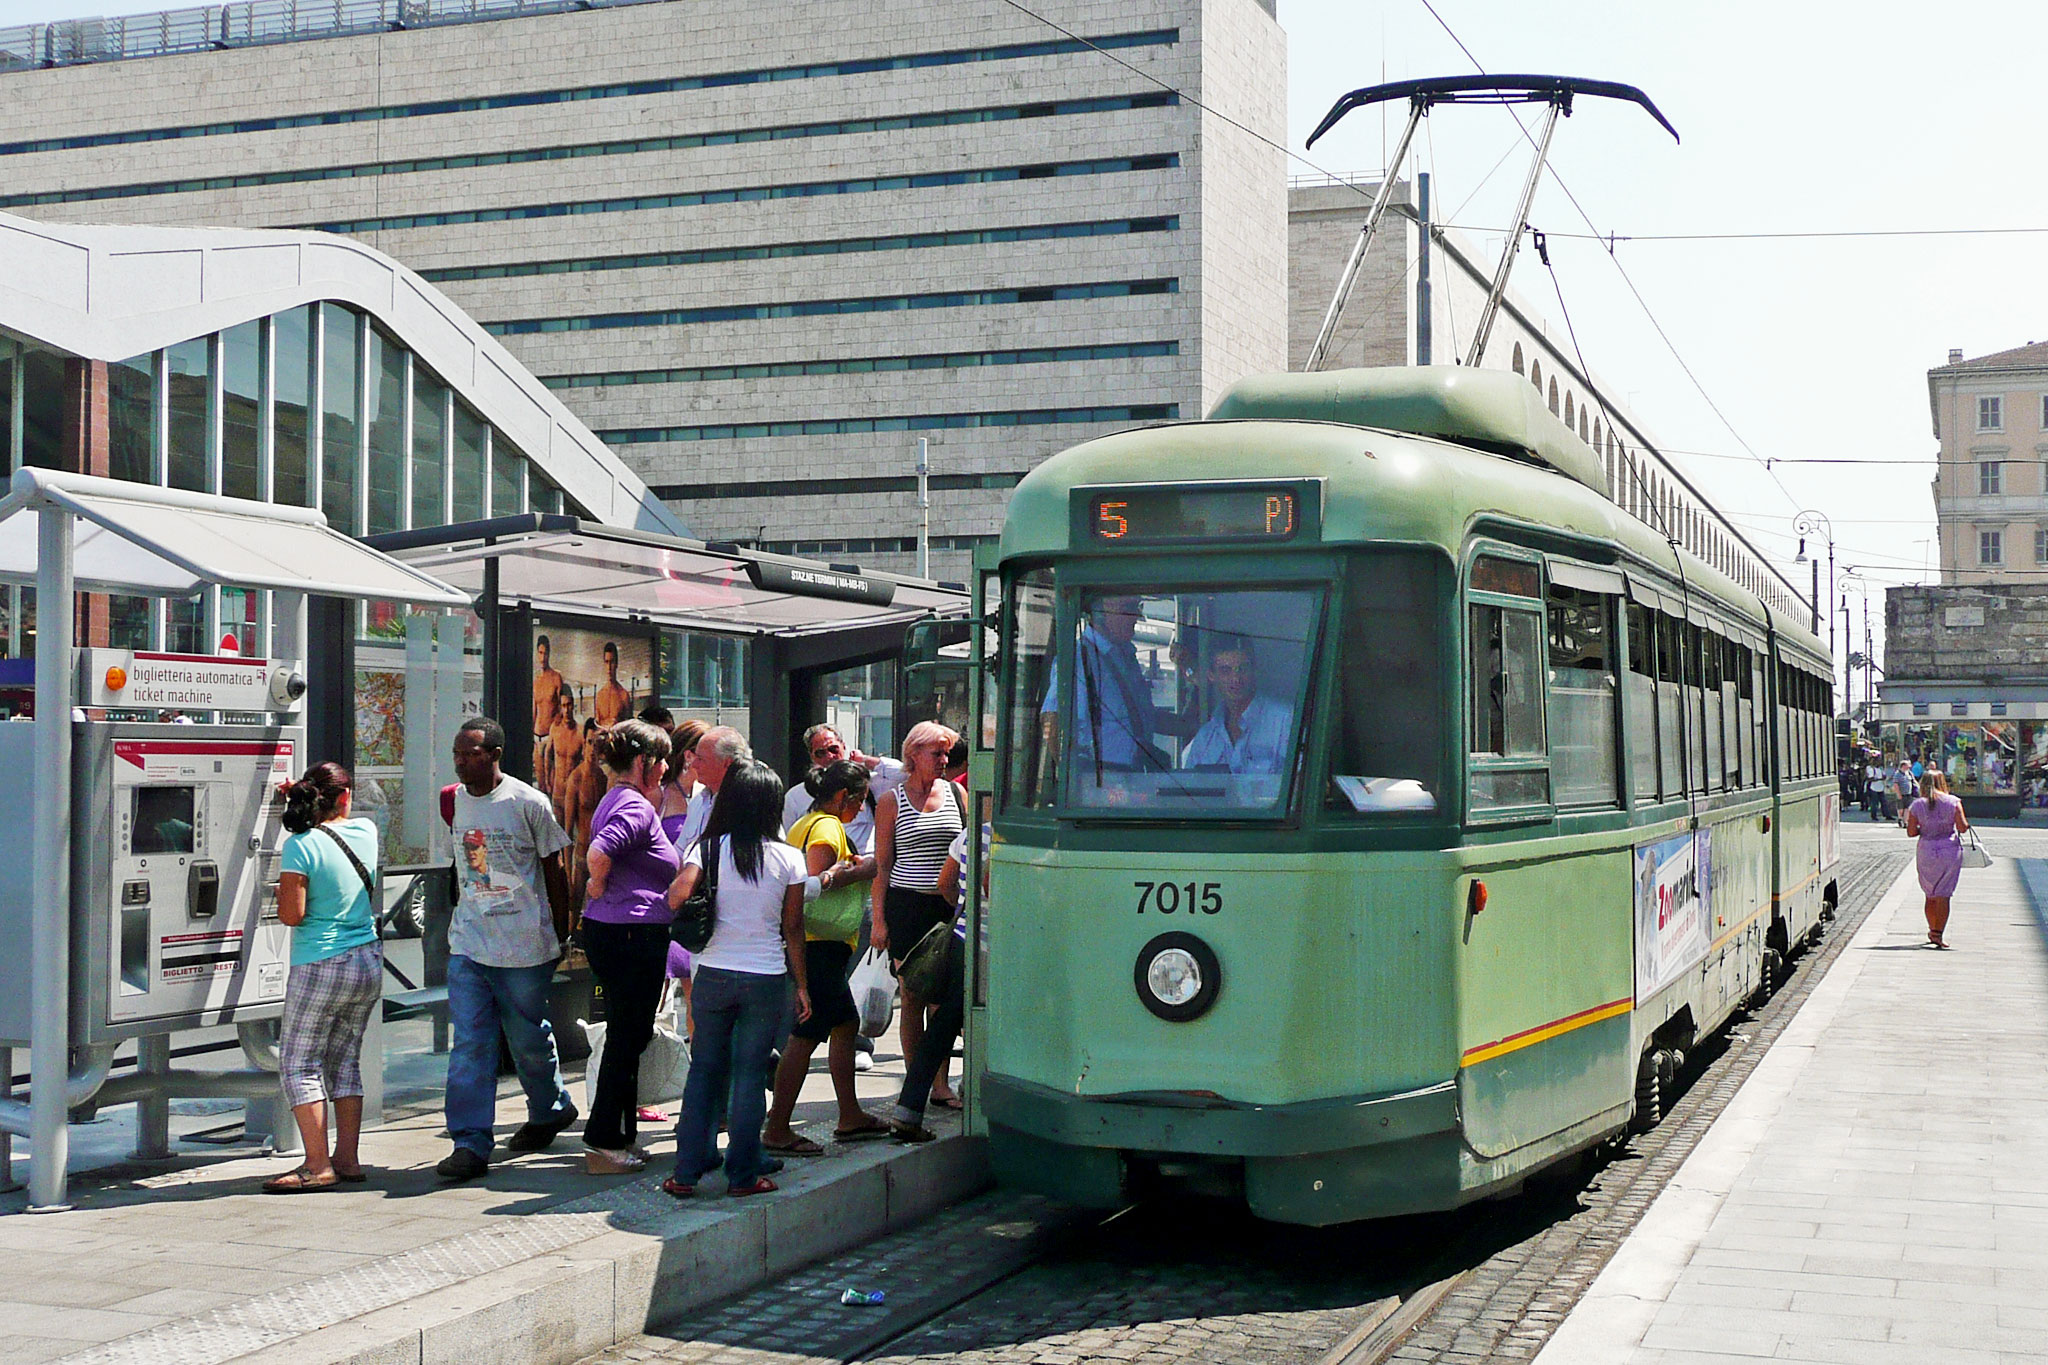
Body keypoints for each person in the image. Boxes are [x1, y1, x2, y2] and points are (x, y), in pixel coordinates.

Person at [439, 717, 580, 1181]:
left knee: (527, 1039)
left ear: (495, 754)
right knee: (471, 1046)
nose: (461, 761)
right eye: (457, 752)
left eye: (470, 753)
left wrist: (561, 933)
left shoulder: (527, 802)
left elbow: (555, 871)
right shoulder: (452, 801)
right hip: (469, 945)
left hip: (523, 945)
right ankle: (470, 1142)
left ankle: (550, 1108)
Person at [663, 762, 811, 1198]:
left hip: (712, 974)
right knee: (749, 1076)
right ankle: (743, 1176)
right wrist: (801, 986)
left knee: (704, 1072)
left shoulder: (707, 850)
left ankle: (685, 1174)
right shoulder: (789, 858)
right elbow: (794, 929)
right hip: (765, 977)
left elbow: (676, 896)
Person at [263, 762, 382, 1193]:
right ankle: (346, 1159)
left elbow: (292, 914)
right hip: (366, 958)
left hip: (321, 962)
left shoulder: (301, 845)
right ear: (346, 796)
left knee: (299, 1062)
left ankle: (317, 1166)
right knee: (343, 1061)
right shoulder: (366, 832)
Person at [763, 761, 886, 1155]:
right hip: (817, 943)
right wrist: (862, 869)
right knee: (807, 1034)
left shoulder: (805, 822)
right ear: (841, 797)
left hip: (825, 944)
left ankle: (849, 1114)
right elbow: (814, 884)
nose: (861, 808)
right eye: (860, 799)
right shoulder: (828, 827)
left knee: (846, 1023)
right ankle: (779, 1126)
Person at [579, 719, 680, 1173]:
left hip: (618, 928)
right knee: (626, 1036)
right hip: (630, 931)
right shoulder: (635, 807)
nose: (665, 770)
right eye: (661, 762)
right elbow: (598, 852)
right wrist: (596, 883)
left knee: (630, 1034)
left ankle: (619, 1135)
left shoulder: (616, 798)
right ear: (644, 763)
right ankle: (603, 1139)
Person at [871, 721, 966, 1110]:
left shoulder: (956, 793)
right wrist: (879, 920)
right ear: (913, 756)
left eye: (947, 753)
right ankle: (916, 1081)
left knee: (942, 998)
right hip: (907, 905)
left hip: (947, 905)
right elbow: (881, 865)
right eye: (936, 753)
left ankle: (939, 1083)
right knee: (911, 994)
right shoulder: (892, 800)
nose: (944, 760)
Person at [889, 819, 973, 1144]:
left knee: (942, 1026)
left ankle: (908, 1109)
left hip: (962, 939)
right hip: (991, 946)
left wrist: (964, 914)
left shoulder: (967, 836)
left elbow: (946, 883)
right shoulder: (1006, 834)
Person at [1041, 594, 1165, 774]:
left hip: (1135, 775)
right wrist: (1072, 781)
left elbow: (1143, 716)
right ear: (1099, 613)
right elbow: (1053, 722)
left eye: (1137, 608)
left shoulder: (1125, 657)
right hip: (1101, 777)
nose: (1137, 617)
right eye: (1128, 609)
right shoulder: (1079, 659)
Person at [780, 724, 903, 852]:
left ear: (844, 747)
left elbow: (904, 773)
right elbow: (789, 844)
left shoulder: (865, 782)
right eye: (820, 753)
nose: (829, 756)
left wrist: (865, 760)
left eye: (834, 749)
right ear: (811, 756)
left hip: (866, 862)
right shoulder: (795, 796)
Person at [1181, 634, 1292, 774]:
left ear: (1254, 670)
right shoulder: (1206, 737)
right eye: (1225, 671)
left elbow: (1303, 781)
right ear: (1211, 675)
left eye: (1242, 669)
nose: (1235, 679)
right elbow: (1191, 789)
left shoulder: (1284, 721)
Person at [1905, 770, 1969, 949]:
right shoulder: (1953, 802)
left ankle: (1932, 929)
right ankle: (1938, 933)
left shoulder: (1917, 805)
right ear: (1943, 782)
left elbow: (1911, 832)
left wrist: (1924, 829)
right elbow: (1962, 828)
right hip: (1949, 850)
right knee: (1944, 894)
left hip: (1926, 850)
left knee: (1930, 894)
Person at [677, 725, 751, 851]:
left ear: (727, 763)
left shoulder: (750, 803)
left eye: (701, 759)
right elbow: (680, 851)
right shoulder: (697, 802)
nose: (694, 765)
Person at [546, 688, 583, 825]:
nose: (566, 710)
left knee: (573, 832)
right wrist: (547, 779)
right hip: (558, 788)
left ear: (573, 705)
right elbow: (548, 755)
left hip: (573, 788)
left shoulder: (580, 731)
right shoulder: (554, 729)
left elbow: (586, 761)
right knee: (558, 832)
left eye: (569, 705)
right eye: (563, 706)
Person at [533, 635, 564, 768]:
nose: (543, 658)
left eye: (545, 653)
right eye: (540, 653)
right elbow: (534, 709)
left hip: (551, 736)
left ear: (549, 654)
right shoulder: (536, 681)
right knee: (540, 783)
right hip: (536, 735)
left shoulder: (556, 677)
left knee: (551, 781)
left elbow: (562, 706)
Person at [594, 641, 633, 727]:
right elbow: (597, 724)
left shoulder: (624, 695)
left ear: (616, 664)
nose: (609, 667)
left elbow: (629, 728)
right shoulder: (600, 695)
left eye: (612, 662)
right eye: (607, 662)